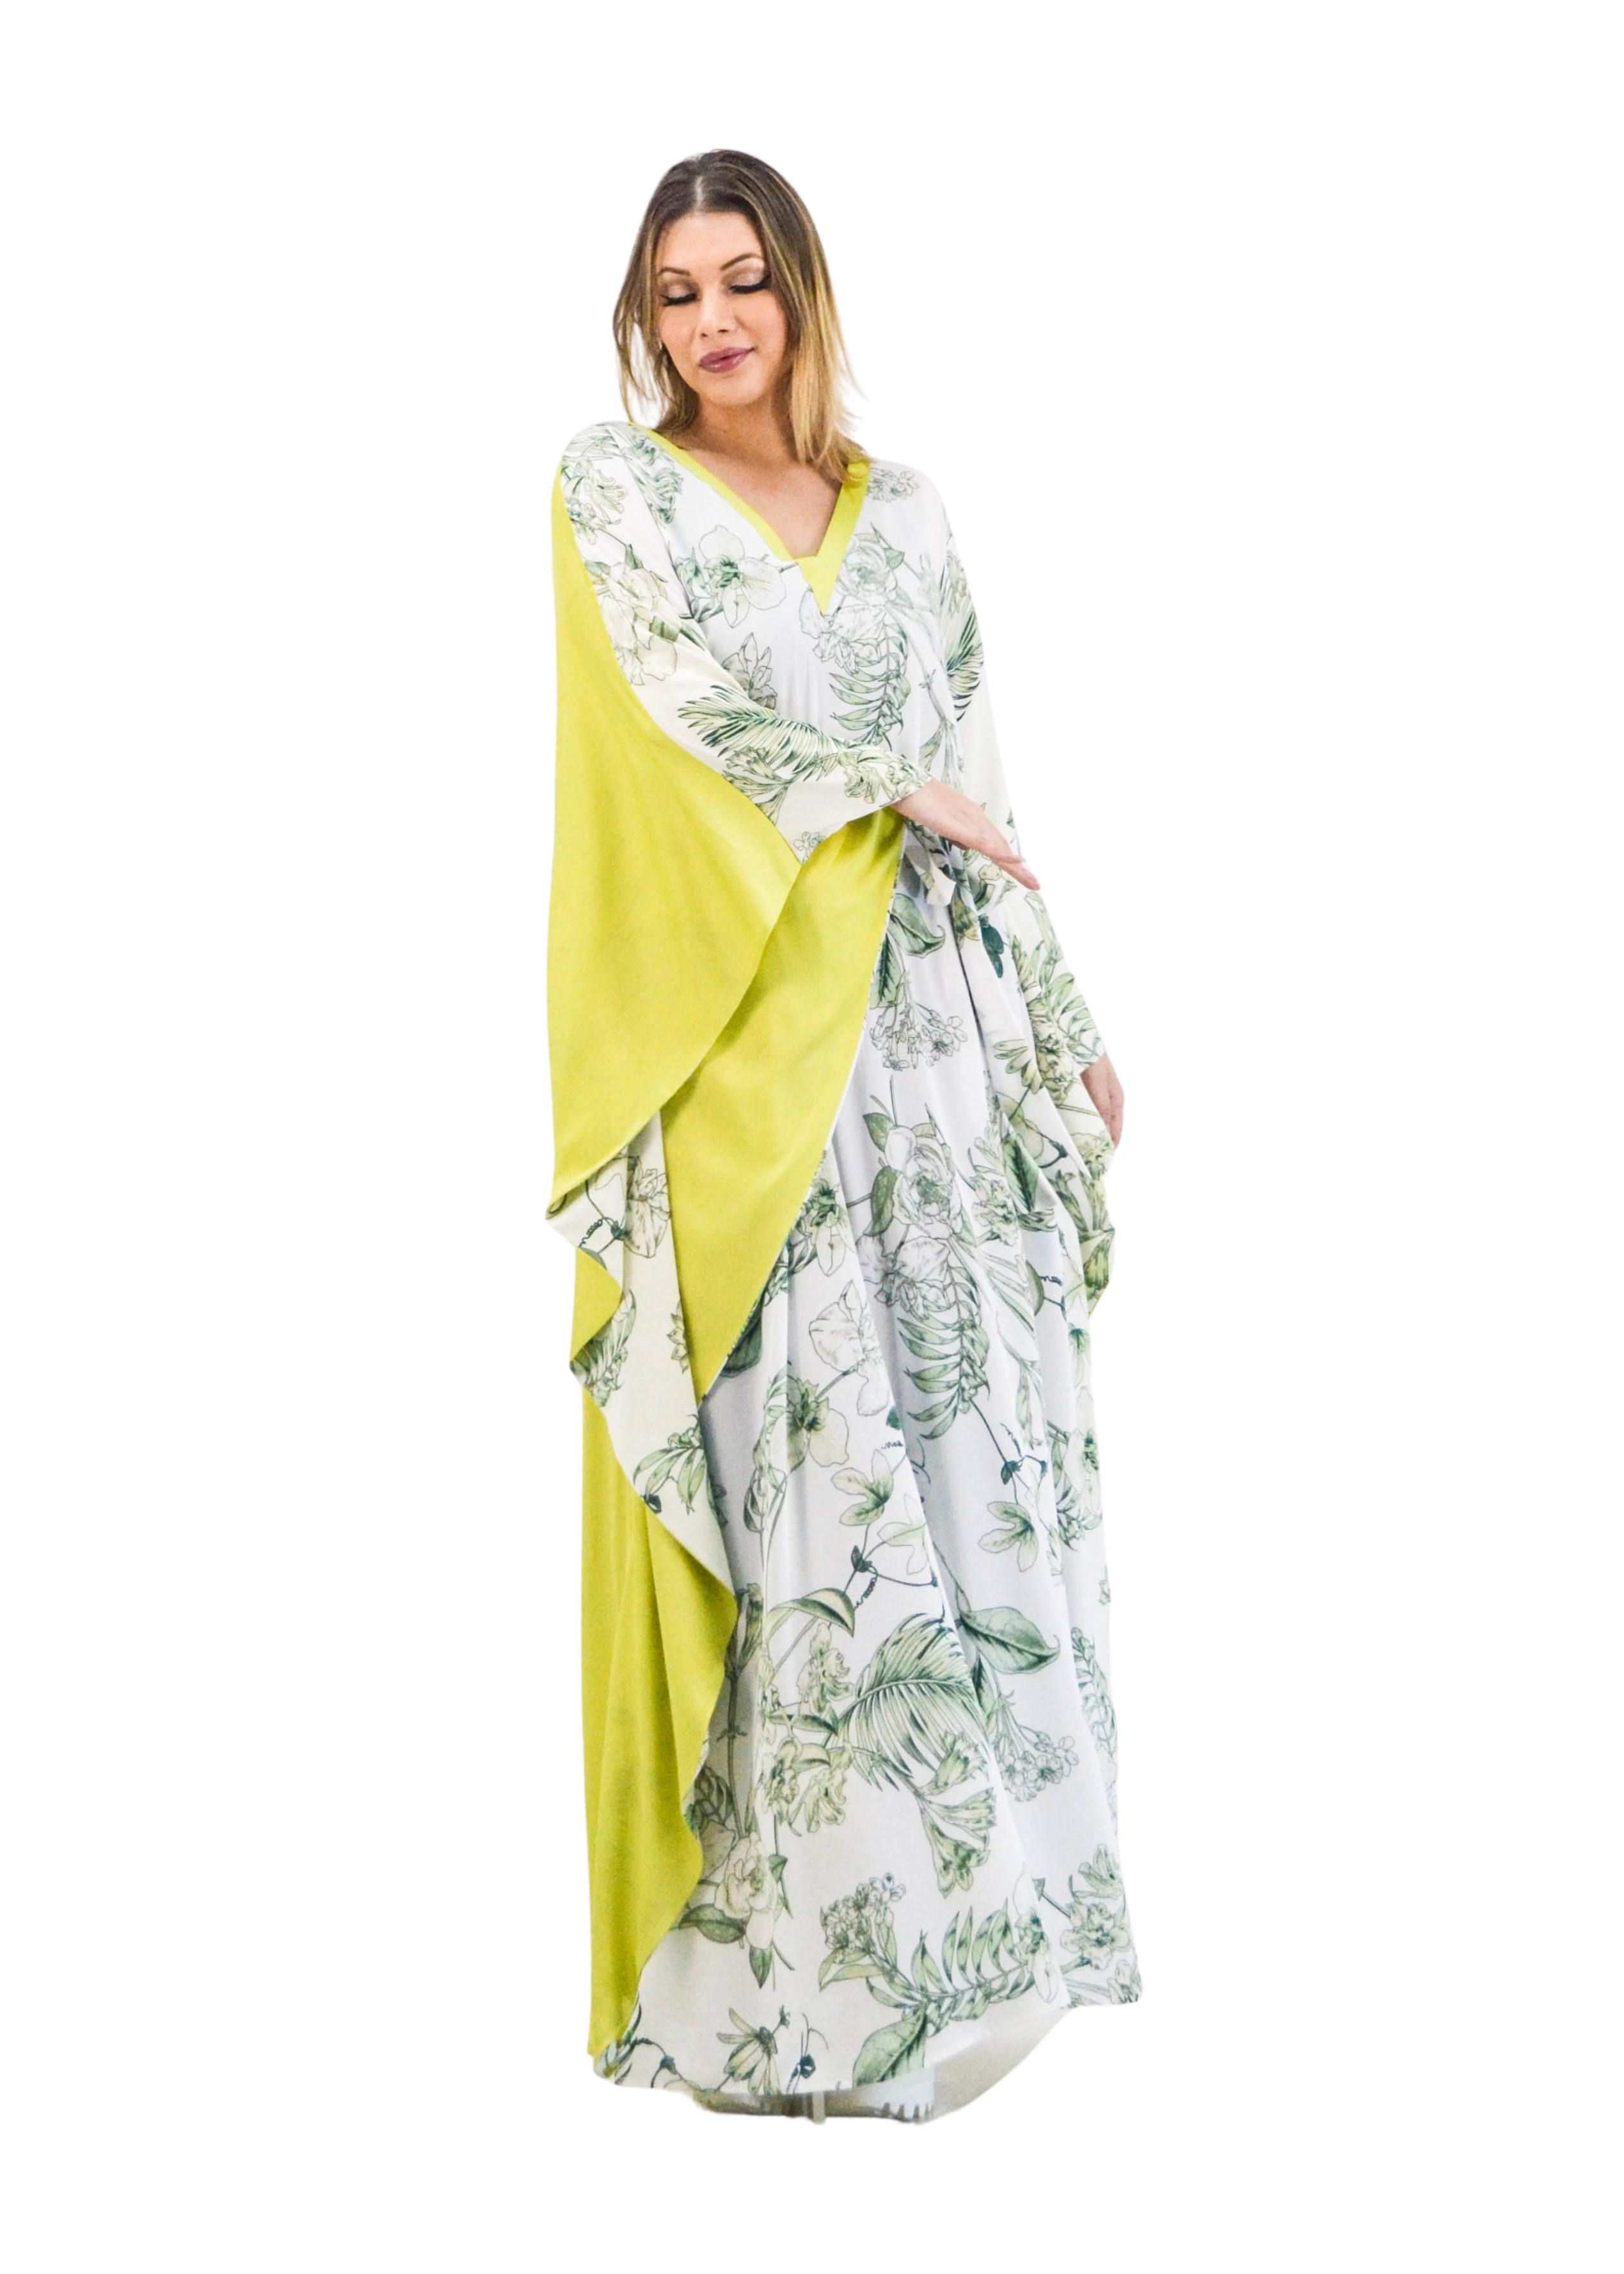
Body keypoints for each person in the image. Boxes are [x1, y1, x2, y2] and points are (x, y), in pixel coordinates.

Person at [548, 146, 1140, 2129]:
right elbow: (669, 720)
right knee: (801, 1489)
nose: (715, 322)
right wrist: (883, 787)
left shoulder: (916, 513)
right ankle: (780, 2009)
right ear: (648, 319)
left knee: (975, 1469)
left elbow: (983, 782)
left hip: (934, 1058)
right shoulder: (611, 488)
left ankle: (969, 1965)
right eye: (679, 291)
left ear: (806, 297)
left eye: (748, 283)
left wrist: (1066, 1024)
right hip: (742, 1063)